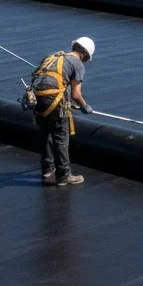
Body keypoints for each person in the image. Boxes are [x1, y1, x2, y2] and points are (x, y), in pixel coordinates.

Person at [28, 37, 95, 186]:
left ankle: (47, 171)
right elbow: (76, 95)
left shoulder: (53, 57)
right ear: (84, 54)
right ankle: (64, 175)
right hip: (52, 98)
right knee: (60, 136)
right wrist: (85, 106)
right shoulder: (77, 63)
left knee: (45, 135)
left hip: (36, 98)